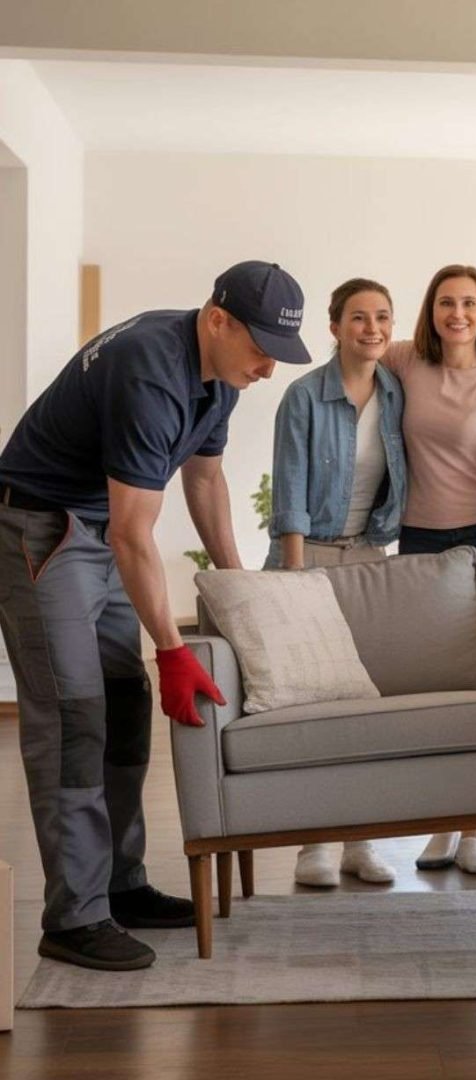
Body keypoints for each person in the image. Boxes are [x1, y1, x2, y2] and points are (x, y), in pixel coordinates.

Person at [0, 260, 309, 971]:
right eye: (260, 346)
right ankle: (73, 919)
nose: (268, 366)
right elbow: (134, 535)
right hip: (41, 533)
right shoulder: (150, 372)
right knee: (74, 715)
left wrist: (236, 590)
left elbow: (204, 479)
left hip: (96, 528)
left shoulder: (220, 377)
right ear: (217, 318)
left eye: (278, 353)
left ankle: (120, 883)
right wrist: (171, 648)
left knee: (124, 699)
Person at [383, 264, 476, 875]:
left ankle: (473, 833)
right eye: (446, 302)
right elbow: (352, 352)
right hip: (417, 537)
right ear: (432, 309)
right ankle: (435, 825)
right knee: (429, 689)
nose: (457, 314)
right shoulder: (405, 360)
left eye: (469, 303)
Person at [265, 277, 406, 888]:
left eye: (381, 317)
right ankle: (312, 846)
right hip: (309, 557)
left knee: (369, 709)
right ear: (333, 326)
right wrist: (296, 576)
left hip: (370, 557)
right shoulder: (302, 395)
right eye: (357, 318)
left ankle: (360, 842)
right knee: (316, 710)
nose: (370, 328)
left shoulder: (396, 393)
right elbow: (288, 490)